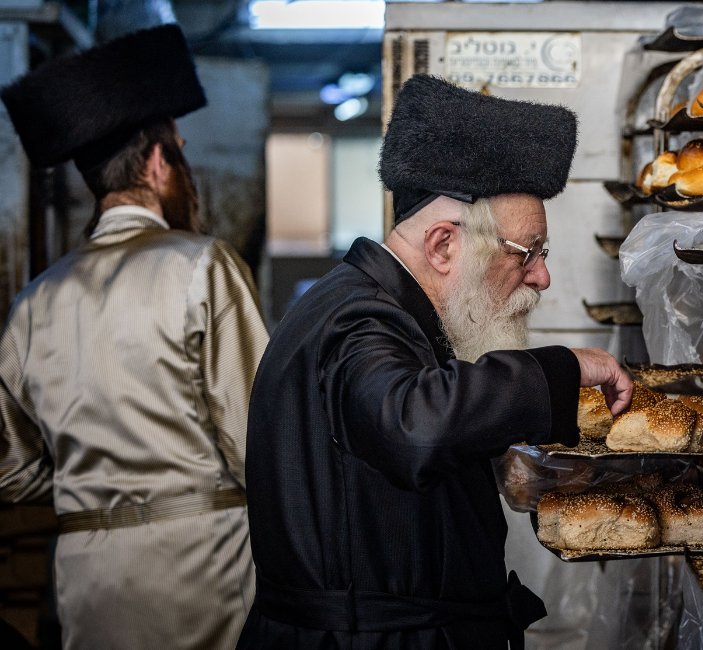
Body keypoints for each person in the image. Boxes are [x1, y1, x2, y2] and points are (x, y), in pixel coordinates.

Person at [236, 74, 634, 650]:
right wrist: (560, 369)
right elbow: (409, 422)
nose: (542, 277)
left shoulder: (379, 311)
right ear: (444, 245)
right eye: (528, 254)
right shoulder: (359, 319)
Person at [0, 25, 267, 649]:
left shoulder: (32, 303)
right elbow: (258, 444)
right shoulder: (203, 264)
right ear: (158, 161)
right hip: (206, 561)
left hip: (87, 573)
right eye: (177, 149)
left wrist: (89, 482)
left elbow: (8, 473)